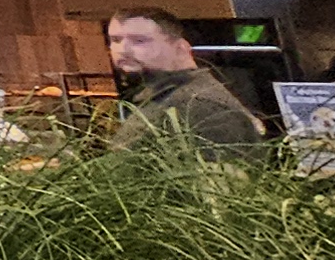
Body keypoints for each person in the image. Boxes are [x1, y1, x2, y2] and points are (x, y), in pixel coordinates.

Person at [104, 9, 265, 155]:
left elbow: (218, 175)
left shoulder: (199, 104)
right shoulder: (163, 96)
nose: (123, 50)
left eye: (139, 40)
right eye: (116, 40)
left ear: (181, 48)